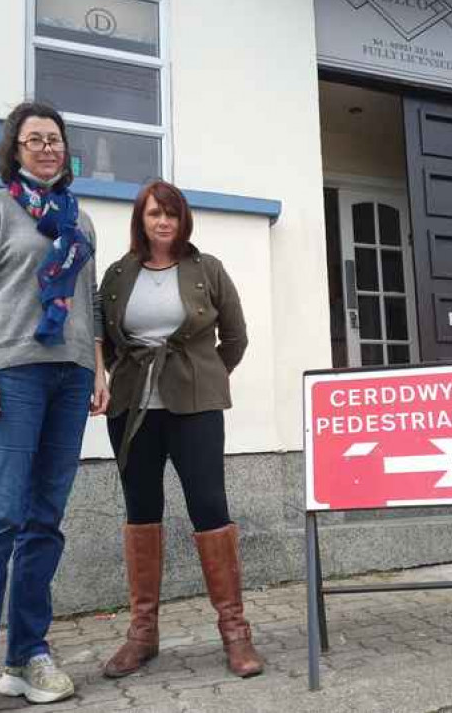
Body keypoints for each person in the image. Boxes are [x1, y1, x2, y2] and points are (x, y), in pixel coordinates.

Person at [0, 102, 110, 713]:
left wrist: (98, 368)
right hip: (11, 376)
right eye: (35, 139)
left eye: (55, 139)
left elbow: (87, 301)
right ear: (15, 149)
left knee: (45, 521)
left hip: (70, 379)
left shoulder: (80, 220)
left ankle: (26, 657)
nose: (47, 148)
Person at [98, 180, 264, 680]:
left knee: (210, 507)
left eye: (171, 213)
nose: (163, 222)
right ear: (141, 220)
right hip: (132, 409)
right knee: (141, 510)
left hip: (195, 408)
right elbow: (105, 340)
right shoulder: (118, 274)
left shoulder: (206, 269)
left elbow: (235, 337)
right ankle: (142, 635)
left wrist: (204, 378)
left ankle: (236, 633)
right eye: (154, 214)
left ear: (183, 218)